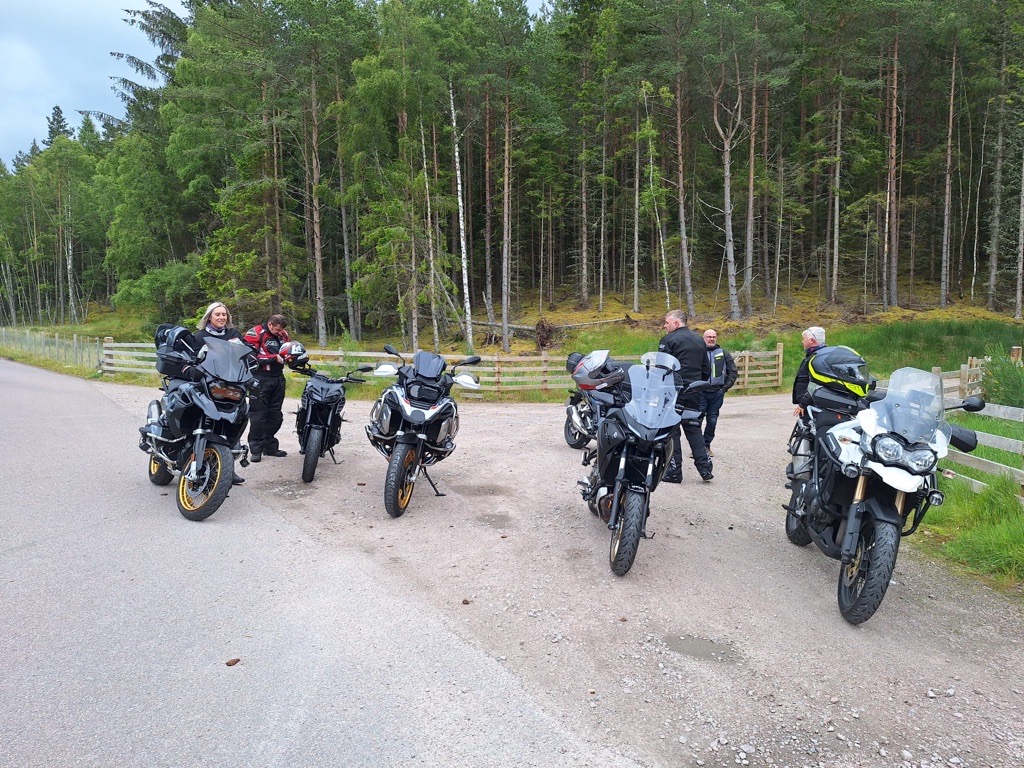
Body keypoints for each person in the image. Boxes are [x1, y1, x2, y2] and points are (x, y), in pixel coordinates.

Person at [194, 301, 247, 485]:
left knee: (233, 424)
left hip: (231, 386)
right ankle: (195, 461)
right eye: (217, 314)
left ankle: (227, 471)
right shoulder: (199, 336)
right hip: (207, 385)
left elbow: (247, 355)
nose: (221, 318)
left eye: (224, 315)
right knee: (204, 420)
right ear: (209, 317)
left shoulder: (234, 334)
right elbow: (193, 358)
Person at [658, 310, 713, 483]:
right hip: (694, 391)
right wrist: (697, 385)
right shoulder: (699, 340)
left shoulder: (669, 340)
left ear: (676, 322)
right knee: (693, 428)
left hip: (673, 390)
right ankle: (705, 469)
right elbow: (706, 369)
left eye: (667, 322)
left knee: (672, 431)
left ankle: (674, 471)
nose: (665, 326)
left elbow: (661, 368)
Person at [244, 314, 291, 462]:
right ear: (270, 324)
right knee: (258, 415)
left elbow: (286, 353)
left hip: (278, 378)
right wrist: (273, 357)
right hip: (259, 377)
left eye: (281, 330)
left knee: (275, 415)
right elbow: (249, 357)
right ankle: (256, 449)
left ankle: (270, 446)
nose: (279, 332)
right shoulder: (255, 333)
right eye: (277, 329)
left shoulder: (284, 335)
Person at [698, 329, 737, 457]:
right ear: (703, 338)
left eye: (714, 337)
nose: (711, 339)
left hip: (716, 392)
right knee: (696, 420)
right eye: (709, 337)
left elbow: (733, 372)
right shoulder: (698, 352)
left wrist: (724, 388)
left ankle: (706, 445)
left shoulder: (723, 353)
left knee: (712, 420)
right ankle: (698, 447)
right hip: (700, 392)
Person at [792, 326, 827, 418]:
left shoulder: (818, 358)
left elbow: (816, 384)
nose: (802, 341)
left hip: (811, 404)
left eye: (804, 339)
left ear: (811, 340)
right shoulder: (818, 355)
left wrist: (803, 404)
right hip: (811, 403)